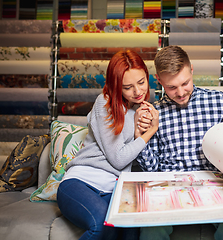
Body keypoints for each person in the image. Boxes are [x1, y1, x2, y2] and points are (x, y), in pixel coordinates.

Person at [136, 45, 223, 240]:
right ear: (159, 81)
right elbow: (151, 170)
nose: (180, 92)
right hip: (170, 188)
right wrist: (141, 136)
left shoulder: (221, 103)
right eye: (171, 87)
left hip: (217, 185)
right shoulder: (154, 113)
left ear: (192, 70)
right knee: (151, 230)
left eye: (185, 83)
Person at [57, 50, 159, 240]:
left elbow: (132, 161)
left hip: (114, 189)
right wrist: (150, 132)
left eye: (141, 82)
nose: (137, 91)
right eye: (128, 87)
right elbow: (119, 159)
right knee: (103, 226)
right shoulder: (105, 103)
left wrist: (138, 134)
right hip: (81, 183)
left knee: (131, 228)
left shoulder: (141, 110)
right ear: (116, 86)